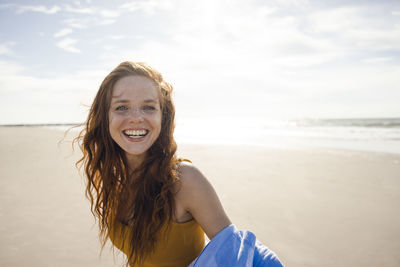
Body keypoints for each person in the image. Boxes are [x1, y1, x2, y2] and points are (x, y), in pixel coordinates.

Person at [75, 61, 283, 267]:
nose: (136, 118)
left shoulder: (183, 180)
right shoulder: (117, 180)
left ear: (162, 117)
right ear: (106, 117)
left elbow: (239, 257)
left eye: (148, 107)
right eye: (122, 107)